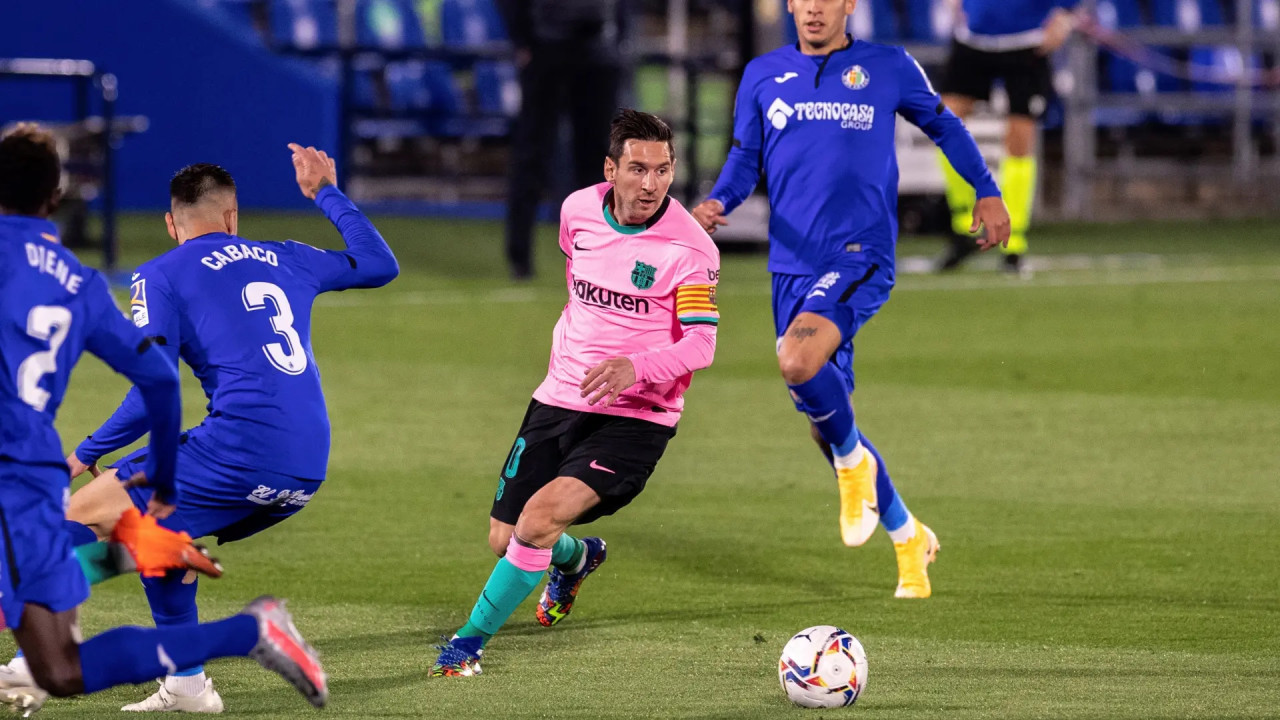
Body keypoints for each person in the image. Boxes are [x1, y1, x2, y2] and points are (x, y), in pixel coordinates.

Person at [0, 145, 398, 713]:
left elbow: (151, 388)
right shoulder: (284, 255)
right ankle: (187, 682)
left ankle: (29, 663)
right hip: (306, 462)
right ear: (233, 216)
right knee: (156, 539)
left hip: (239, 450)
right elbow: (381, 264)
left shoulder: (159, 275)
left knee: (75, 516)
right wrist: (324, 192)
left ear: (170, 223)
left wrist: (82, 454)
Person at [692, 0, 1010, 598]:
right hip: (790, 267)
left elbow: (944, 123)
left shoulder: (887, 66)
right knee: (825, 423)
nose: (813, 8)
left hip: (860, 253)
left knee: (797, 361)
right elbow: (745, 157)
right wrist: (719, 202)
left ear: (848, 5)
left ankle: (851, 467)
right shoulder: (763, 74)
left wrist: (986, 192)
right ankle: (907, 533)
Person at [432, 109, 720, 676]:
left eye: (662, 170)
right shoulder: (577, 213)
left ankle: (466, 645)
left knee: (537, 520)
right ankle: (578, 558)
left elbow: (701, 347)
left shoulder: (689, 249)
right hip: (559, 397)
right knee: (505, 538)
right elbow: (579, 292)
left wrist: (633, 367)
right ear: (610, 169)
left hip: (638, 416)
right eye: (637, 169)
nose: (650, 184)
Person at [935, 0, 1077, 275]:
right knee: (945, 124)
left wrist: (1066, 18)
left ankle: (1012, 240)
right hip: (973, 40)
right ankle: (966, 227)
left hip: (1027, 43)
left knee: (1019, 140)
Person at [496, 0, 624, 280]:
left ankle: (598, 255)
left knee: (597, 163)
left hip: (596, 47)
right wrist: (523, 39)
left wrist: (617, 39)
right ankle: (520, 257)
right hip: (547, 45)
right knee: (533, 154)